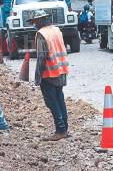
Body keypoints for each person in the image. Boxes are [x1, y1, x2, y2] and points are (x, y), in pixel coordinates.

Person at [27, 9, 69, 141]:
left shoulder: (41, 34)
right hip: (61, 70)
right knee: (60, 99)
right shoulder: (56, 30)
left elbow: (41, 56)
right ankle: (65, 128)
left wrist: (37, 76)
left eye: (35, 21)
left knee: (52, 102)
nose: (34, 24)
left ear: (40, 20)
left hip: (49, 73)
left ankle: (60, 130)